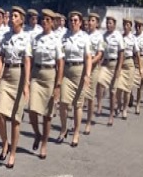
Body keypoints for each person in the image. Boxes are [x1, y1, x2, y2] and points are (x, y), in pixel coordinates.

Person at [0, 6, 32, 169]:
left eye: (15, 16)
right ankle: (5, 143)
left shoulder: (26, 38)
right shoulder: (6, 36)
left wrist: (26, 84)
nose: (12, 18)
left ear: (21, 20)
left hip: (19, 74)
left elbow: (28, 61)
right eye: (11, 16)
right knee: (0, 114)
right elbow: (1, 58)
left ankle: (13, 153)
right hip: (7, 75)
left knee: (16, 119)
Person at [29, 9, 64, 159]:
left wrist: (58, 85)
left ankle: (44, 143)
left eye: (48, 20)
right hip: (36, 75)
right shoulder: (35, 38)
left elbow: (60, 63)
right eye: (43, 19)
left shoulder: (56, 39)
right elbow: (30, 59)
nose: (44, 22)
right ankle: (37, 133)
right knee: (32, 110)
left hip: (50, 75)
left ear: (52, 23)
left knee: (47, 114)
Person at [58, 11, 92, 147]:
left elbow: (88, 57)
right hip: (67, 70)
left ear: (81, 22)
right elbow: (60, 56)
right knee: (63, 103)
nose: (73, 22)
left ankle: (76, 132)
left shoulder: (84, 38)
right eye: (71, 20)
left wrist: (87, 75)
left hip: (79, 70)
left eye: (76, 20)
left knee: (78, 104)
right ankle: (64, 128)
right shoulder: (64, 36)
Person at [97, 16, 124, 126]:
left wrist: (118, 68)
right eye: (107, 23)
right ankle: (99, 104)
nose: (108, 25)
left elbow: (121, 53)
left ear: (114, 24)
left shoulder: (118, 36)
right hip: (105, 64)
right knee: (99, 82)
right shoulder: (103, 36)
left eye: (110, 23)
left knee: (113, 92)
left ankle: (111, 115)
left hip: (114, 64)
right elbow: (102, 51)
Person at [114, 18, 139, 119]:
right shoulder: (120, 37)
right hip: (120, 63)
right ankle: (119, 104)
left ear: (130, 26)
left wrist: (140, 68)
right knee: (118, 88)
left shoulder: (133, 38)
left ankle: (125, 109)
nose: (125, 26)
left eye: (128, 25)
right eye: (124, 24)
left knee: (127, 90)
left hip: (129, 64)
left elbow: (137, 53)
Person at [83, 13, 104, 135]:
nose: (90, 22)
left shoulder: (99, 36)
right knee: (80, 96)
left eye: (92, 20)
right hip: (82, 68)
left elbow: (100, 54)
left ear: (97, 23)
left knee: (90, 97)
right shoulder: (83, 35)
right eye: (89, 20)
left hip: (93, 68)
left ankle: (88, 123)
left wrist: (90, 62)